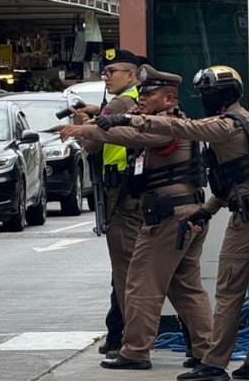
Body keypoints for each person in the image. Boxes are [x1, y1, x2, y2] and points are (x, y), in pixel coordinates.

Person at [95, 65, 249, 381]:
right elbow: (241, 178)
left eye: (207, 94)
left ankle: (213, 365)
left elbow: (181, 129)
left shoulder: (225, 125)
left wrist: (125, 118)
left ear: (219, 96)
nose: (203, 100)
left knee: (228, 294)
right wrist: (208, 210)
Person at [54, 65, 214, 370]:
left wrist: (85, 128)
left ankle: (136, 350)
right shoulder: (172, 122)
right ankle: (205, 350)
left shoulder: (165, 125)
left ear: (168, 99)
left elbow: (127, 135)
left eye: (149, 93)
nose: (141, 97)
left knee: (140, 284)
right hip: (185, 212)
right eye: (140, 92)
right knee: (186, 286)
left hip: (168, 217)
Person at [69, 49, 144, 353]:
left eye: (113, 71)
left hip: (123, 194)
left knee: (125, 271)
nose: (107, 76)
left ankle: (128, 341)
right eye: (105, 71)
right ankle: (119, 333)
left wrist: (83, 125)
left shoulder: (119, 102)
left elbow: (90, 144)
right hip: (134, 192)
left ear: (131, 75)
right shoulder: (137, 97)